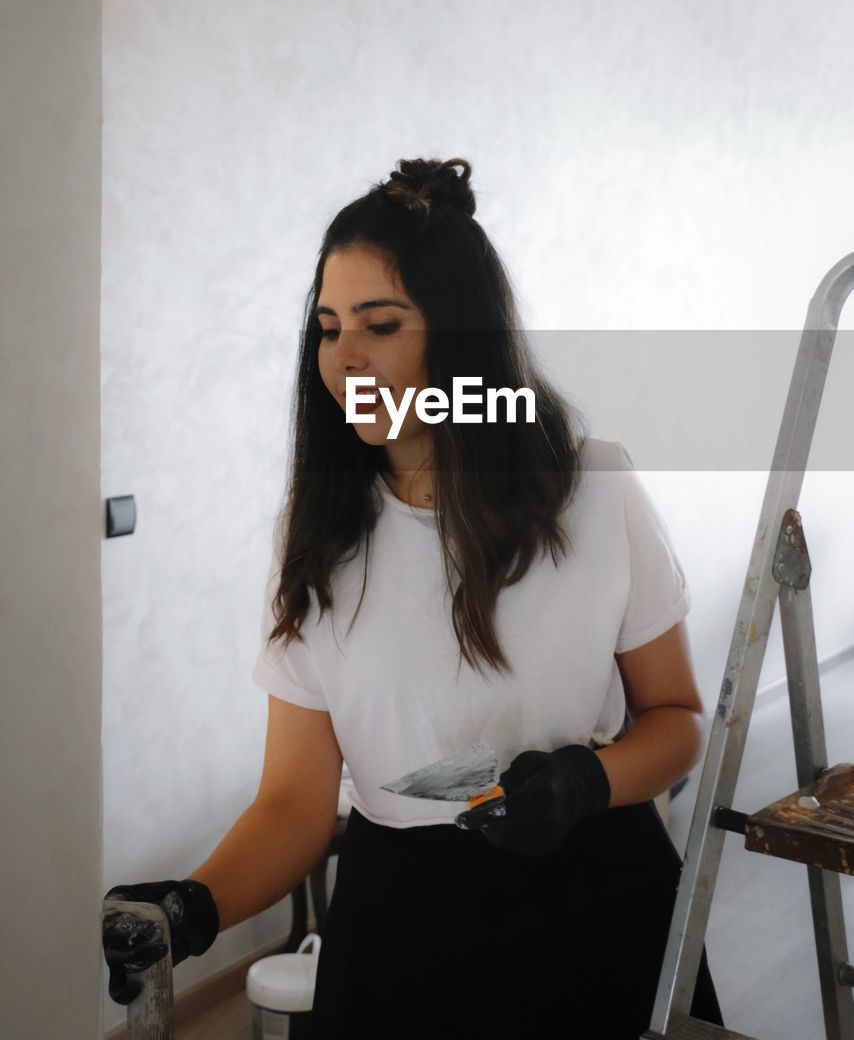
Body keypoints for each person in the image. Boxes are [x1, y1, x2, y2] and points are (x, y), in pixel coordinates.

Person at [102, 157, 725, 1038]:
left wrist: (587, 780)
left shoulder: (593, 488)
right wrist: (192, 906)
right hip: (403, 931)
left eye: (379, 324)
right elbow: (294, 802)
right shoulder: (318, 532)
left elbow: (677, 717)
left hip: (596, 909)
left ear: (462, 334)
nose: (341, 358)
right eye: (325, 329)